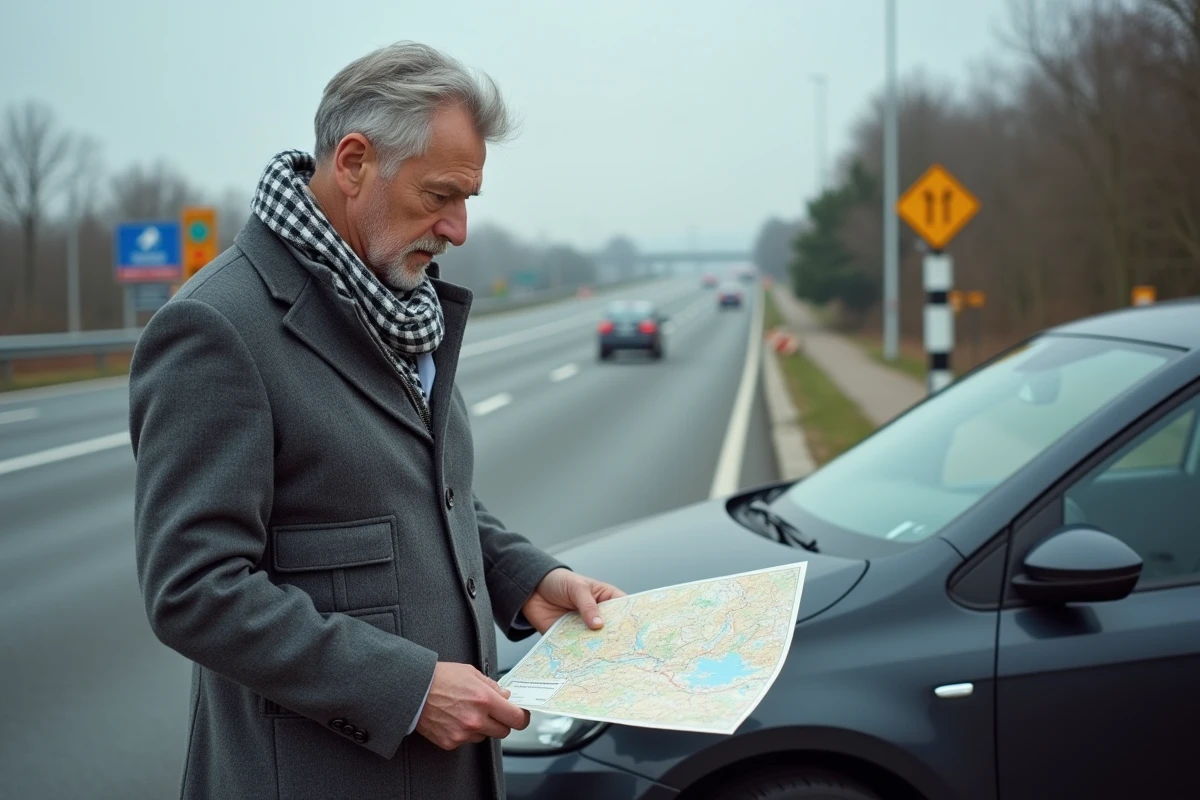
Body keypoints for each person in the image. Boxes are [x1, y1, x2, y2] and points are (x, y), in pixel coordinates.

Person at [129, 41, 623, 800]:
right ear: (355, 162)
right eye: (439, 195)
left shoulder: (401, 306)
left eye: (468, 200)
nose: (458, 228)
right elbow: (195, 590)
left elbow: (426, 493)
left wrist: (528, 580)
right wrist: (412, 689)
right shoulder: (217, 328)